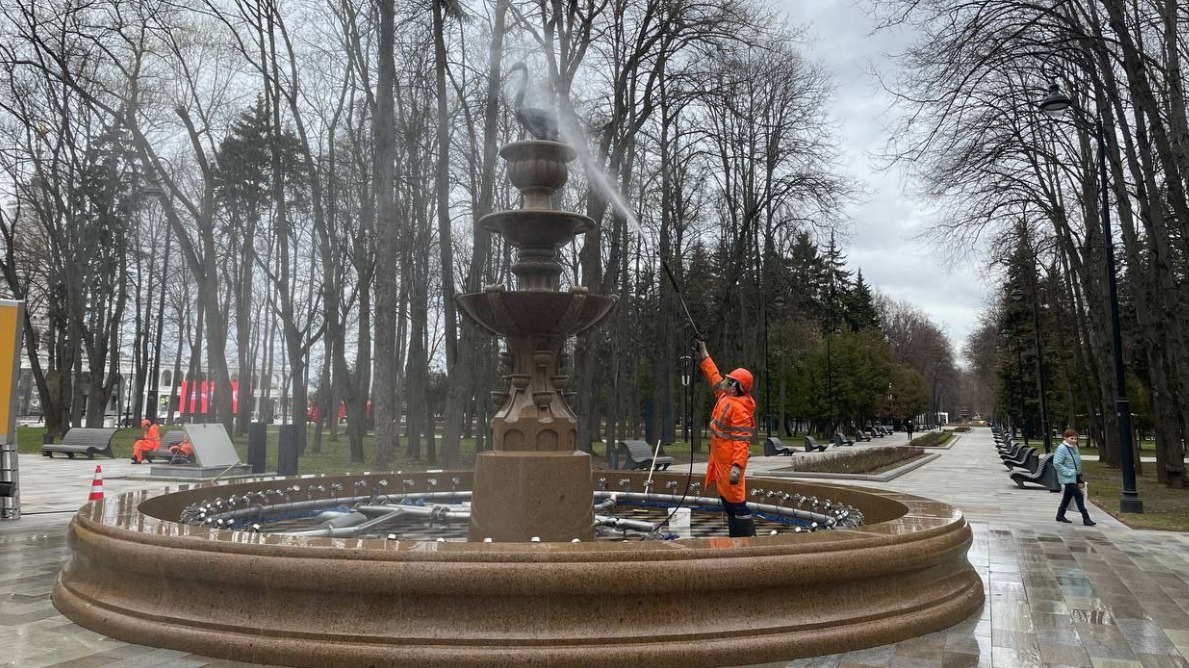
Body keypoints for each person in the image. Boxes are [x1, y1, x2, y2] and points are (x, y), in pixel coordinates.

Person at [695, 339, 757, 538]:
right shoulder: (725, 396)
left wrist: (737, 467)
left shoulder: (740, 410)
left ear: (739, 388)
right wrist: (704, 354)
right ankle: (736, 538)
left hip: (730, 464)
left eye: (731, 381)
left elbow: (742, 441)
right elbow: (713, 376)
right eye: (728, 379)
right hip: (721, 461)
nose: (726, 382)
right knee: (728, 502)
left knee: (736, 503)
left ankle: (747, 540)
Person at [1053, 429, 1095, 526]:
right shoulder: (1062, 448)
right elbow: (1057, 463)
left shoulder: (1074, 448)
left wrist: (1078, 475)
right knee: (1078, 495)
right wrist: (1069, 472)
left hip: (1075, 476)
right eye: (1072, 438)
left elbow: (1076, 462)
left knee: (1067, 496)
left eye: (1076, 439)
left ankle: (1060, 515)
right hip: (1067, 477)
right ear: (1065, 438)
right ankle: (1086, 518)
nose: (1074, 441)